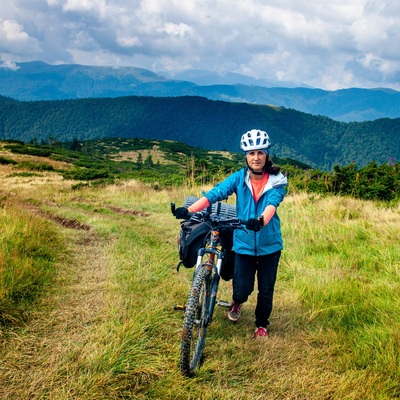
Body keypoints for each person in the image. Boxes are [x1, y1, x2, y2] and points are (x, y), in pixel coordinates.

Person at [174, 129, 288, 338]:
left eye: (260, 153)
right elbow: (214, 194)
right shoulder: (238, 178)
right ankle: (237, 302)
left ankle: (261, 325)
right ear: (245, 156)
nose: (256, 157)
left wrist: (261, 220)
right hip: (243, 242)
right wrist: (189, 211)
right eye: (251, 153)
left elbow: (272, 203)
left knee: (266, 289)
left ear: (266, 155)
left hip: (269, 244)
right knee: (241, 289)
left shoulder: (277, 180)